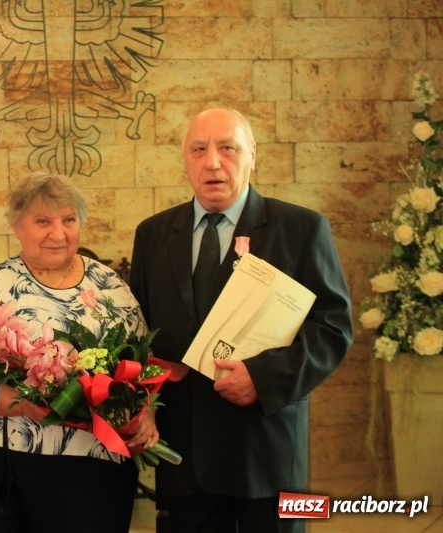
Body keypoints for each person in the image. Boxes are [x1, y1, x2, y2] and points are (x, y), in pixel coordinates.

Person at [129, 108, 354, 533]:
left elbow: (332, 330)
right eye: (199, 150)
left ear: (253, 154)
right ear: (185, 159)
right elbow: (138, 334)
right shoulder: (153, 234)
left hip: (267, 452)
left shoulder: (301, 228)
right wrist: (142, 401)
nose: (213, 162)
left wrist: (263, 378)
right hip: (184, 458)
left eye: (227, 148)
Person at [0, 172, 157, 533]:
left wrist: (145, 416)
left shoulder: (110, 287)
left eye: (69, 220)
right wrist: (22, 405)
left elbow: (143, 367)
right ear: (17, 226)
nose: (58, 233)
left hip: (95, 463)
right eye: (43, 221)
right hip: (2, 461)